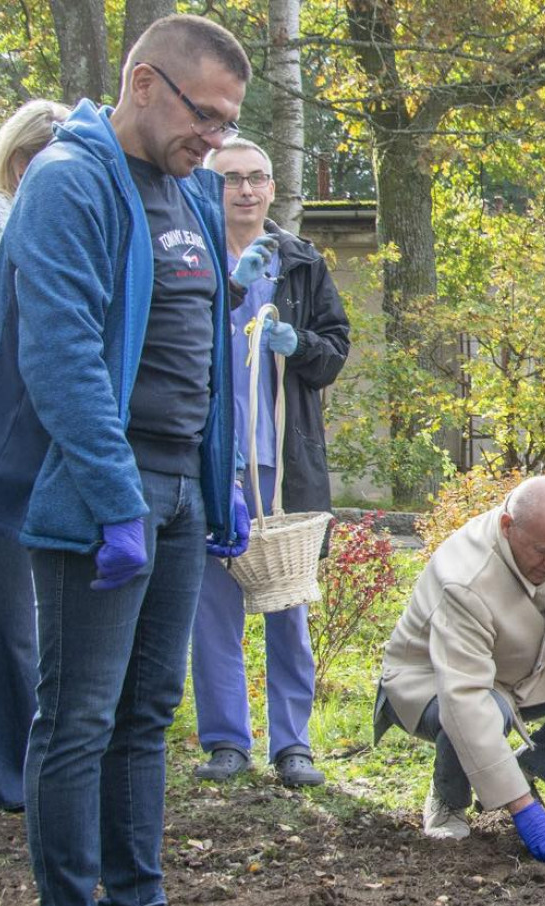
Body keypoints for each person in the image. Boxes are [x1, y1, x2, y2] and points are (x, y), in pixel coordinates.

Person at [0, 15, 267, 906]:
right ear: (146, 83)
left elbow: (204, 348)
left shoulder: (187, 186)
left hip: (179, 492)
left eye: (231, 122)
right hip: (97, 493)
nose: (219, 143)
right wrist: (114, 500)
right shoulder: (69, 184)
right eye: (209, 116)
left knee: (148, 713)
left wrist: (221, 477)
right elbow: (60, 356)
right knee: (76, 716)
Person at [374, 476, 545, 861]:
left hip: (514, 671)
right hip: (428, 681)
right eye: (544, 552)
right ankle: (449, 799)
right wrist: (522, 809)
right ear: (508, 527)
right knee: (488, 708)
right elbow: (464, 697)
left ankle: (520, 774)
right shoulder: (466, 578)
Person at [190, 138, 350, 788]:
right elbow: (172, 339)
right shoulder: (190, 257)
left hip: (282, 463)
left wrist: (300, 342)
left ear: (273, 188)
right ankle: (227, 742)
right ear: (210, 188)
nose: (248, 191)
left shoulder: (302, 262)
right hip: (209, 461)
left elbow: (335, 351)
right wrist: (227, 293)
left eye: (258, 178)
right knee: (212, 609)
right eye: (233, 180)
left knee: (289, 603)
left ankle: (294, 745)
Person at [0, 98, 69, 815]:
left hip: (28, 456)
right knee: (17, 627)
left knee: (20, 625)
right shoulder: (12, 230)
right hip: (9, 460)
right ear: (23, 165)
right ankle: (19, 777)